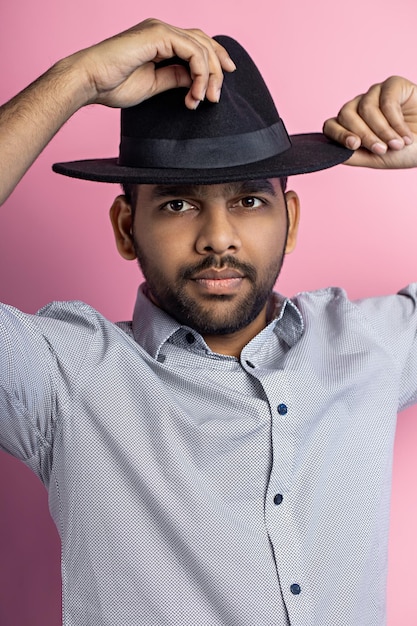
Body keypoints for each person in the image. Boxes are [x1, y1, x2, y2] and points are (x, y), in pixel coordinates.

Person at [1, 17, 416, 626]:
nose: (217, 238)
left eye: (249, 200)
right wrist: (76, 78)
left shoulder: (367, 344)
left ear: (291, 221)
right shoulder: (67, 380)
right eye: (179, 203)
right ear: (125, 228)